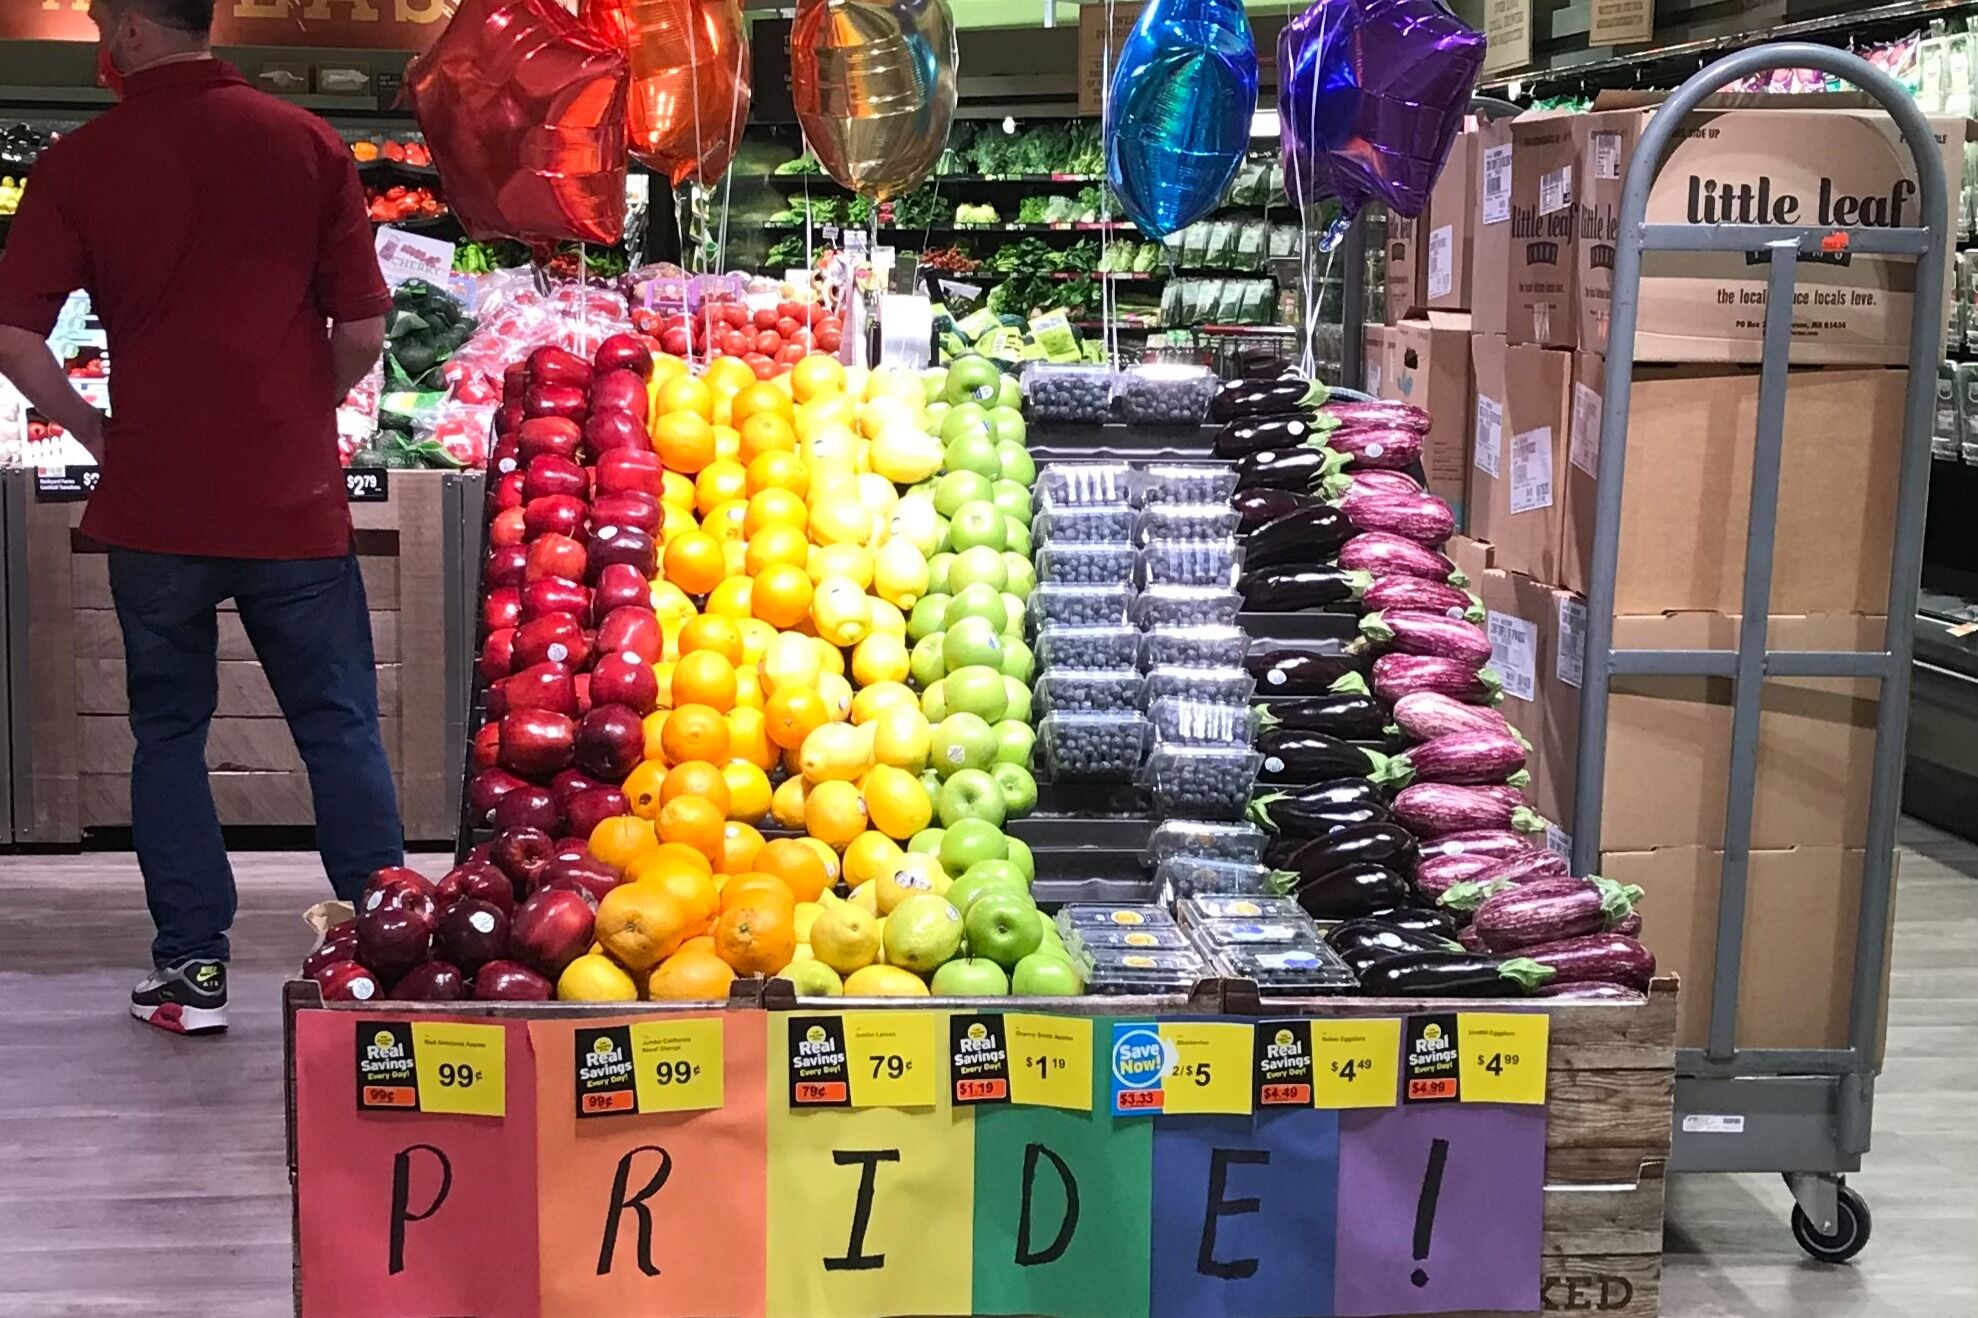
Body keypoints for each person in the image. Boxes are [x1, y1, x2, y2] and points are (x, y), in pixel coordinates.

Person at [0, 0, 405, 1035]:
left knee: (167, 731)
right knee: (339, 724)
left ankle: (193, 969)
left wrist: (96, 429)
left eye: (101, 18)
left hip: (156, 503)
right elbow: (363, 326)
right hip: (292, 498)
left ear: (133, 29)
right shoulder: (305, 141)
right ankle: (391, 953)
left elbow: (14, 339)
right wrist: (299, 409)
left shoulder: (83, 160)